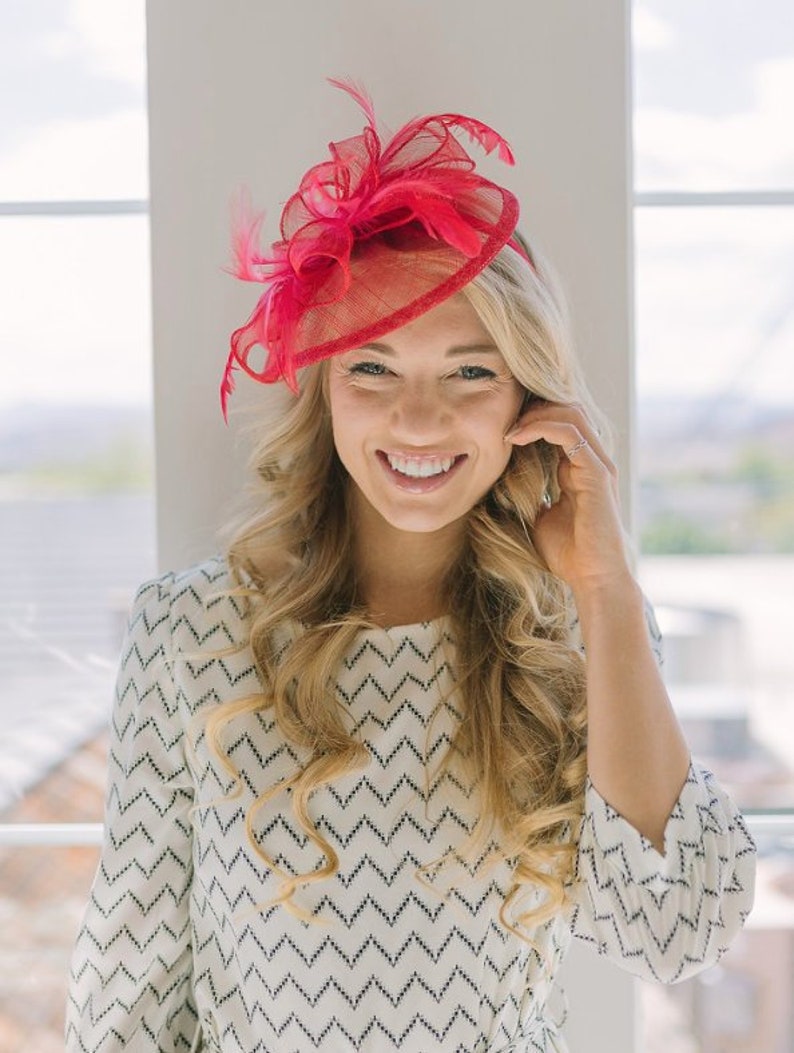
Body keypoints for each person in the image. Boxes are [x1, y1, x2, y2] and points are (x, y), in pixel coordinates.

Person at [66, 81, 755, 1053]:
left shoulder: (583, 630)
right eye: (372, 368)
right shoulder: (194, 634)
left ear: (527, 395)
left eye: (469, 371)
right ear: (325, 392)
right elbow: (126, 1005)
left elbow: (674, 932)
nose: (419, 420)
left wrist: (604, 590)